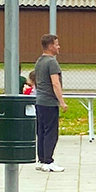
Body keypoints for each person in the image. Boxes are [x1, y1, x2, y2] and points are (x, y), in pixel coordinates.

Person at [31, 34, 67, 172]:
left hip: (40, 101)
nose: (59, 47)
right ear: (51, 46)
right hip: (49, 102)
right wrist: (62, 102)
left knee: (41, 132)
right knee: (51, 133)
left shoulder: (39, 61)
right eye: (57, 44)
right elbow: (55, 83)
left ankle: (41, 160)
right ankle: (48, 161)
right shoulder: (52, 62)